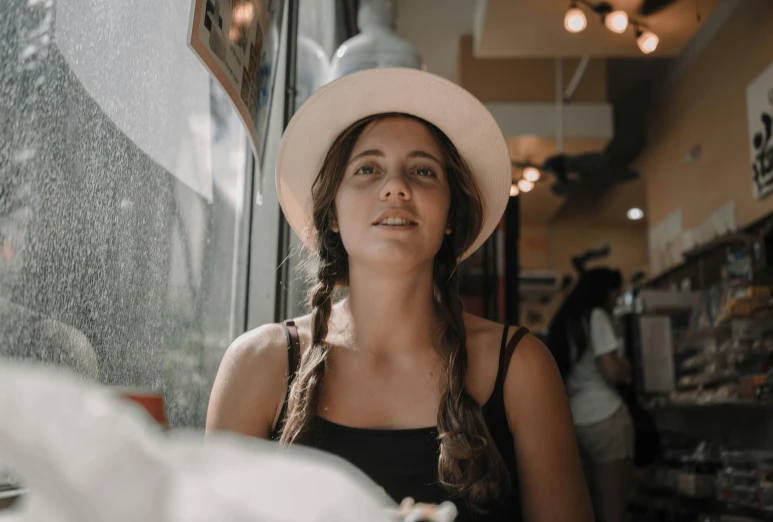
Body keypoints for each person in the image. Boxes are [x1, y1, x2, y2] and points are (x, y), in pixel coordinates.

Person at [206, 67, 592, 522]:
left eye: (423, 171)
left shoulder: (522, 369)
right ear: (331, 213)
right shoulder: (259, 364)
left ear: (449, 214)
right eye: (367, 169)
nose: (396, 187)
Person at [547, 268, 634, 522]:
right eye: (616, 294)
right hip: (606, 417)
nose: (616, 301)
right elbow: (611, 370)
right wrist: (625, 367)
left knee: (584, 510)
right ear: (605, 293)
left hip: (575, 421)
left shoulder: (566, 321)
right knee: (612, 510)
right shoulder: (596, 317)